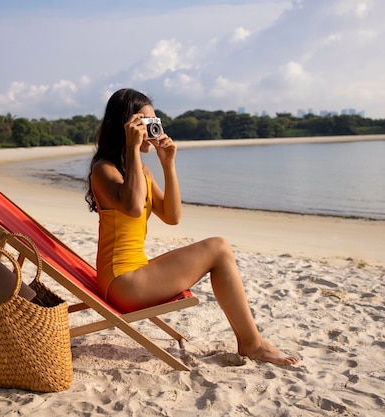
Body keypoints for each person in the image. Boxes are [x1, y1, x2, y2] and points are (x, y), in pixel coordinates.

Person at [85, 88, 299, 366]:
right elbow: (135, 206)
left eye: (154, 122)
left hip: (135, 272)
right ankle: (253, 343)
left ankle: (250, 341)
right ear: (126, 126)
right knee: (218, 248)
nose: (152, 130)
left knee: (219, 251)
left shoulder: (140, 171)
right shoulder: (104, 170)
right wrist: (132, 147)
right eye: (145, 123)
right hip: (122, 284)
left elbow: (173, 216)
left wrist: (168, 165)